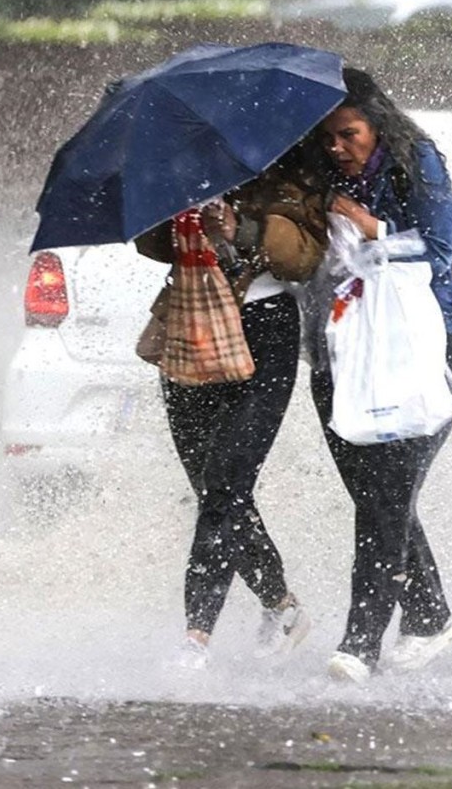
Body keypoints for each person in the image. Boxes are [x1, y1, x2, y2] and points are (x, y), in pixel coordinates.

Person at [135, 147, 327, 670]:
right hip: (191, 322)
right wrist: (172, 208)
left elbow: (306, 258)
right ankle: (283, 605)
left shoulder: (295, 167)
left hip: (267, 331)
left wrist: (239, 226)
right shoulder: (182, 164)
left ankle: (196, 637)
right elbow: (147, 243)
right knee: (211, 489)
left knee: (226, 484)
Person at [306, 68, 452, 683]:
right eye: (327, 139)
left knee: (388, 493)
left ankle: (359, 642)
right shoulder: (317, 177)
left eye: (348, 134)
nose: (338, 148)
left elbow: (438, 245)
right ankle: (428, 616)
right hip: (340, 344)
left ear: (378, 124)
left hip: (416, 341)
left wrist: (367, 226)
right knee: (374, 494)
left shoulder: (416, 160)